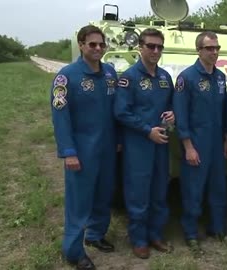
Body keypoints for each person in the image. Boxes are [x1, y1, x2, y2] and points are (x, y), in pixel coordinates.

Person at [50, 25, 117, 270]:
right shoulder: (66, 77)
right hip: (81, 150)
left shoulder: (110, 73)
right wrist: (68, 152)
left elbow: (115, 112)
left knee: (103, 195)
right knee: (79, 203)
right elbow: (61, 117)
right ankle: (73, 251)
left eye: (102, 44)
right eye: (92, 44)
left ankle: (96, 234)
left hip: (107, 148)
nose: (98, 48)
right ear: (81, 45)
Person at [114, 28, 175, 259]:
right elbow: (121, 112)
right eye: (151, 46)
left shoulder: (164, 77)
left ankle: (156, 235)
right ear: (140, 47)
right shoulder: (129, 78)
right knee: (138, 193)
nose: (156, 51)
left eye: (159, 46)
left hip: (161, 143)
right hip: (139, 145)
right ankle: (139, 239)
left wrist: (172, 115)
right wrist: (146, 130)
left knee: (160, 191)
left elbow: (171, 105)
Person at [172, 31, 227, 256]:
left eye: (216, 48)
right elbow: (181, 115)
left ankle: (217, 228)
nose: (214, 52)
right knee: (193, 191)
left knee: (218, 189)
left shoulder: (219, 77)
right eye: (209, 48)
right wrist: (188, 146)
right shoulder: (186, 78)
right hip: (196, 143)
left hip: (217, 144)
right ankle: (190, 234)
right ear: (199, 50)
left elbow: (224, 111)